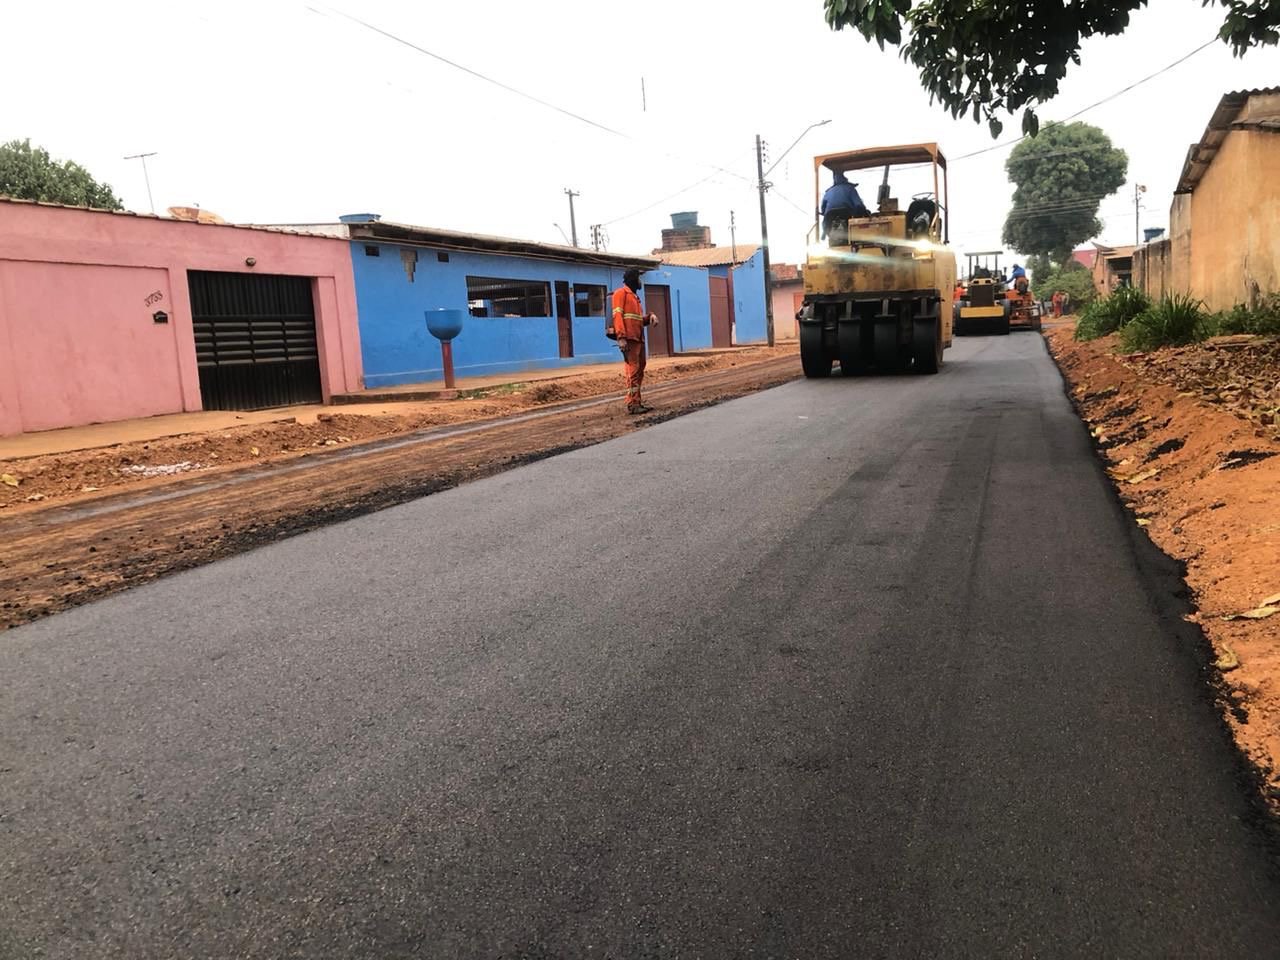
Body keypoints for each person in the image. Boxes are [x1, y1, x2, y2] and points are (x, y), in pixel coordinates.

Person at [611, 268, 657, 414]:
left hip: (638, 339)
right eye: (639, 278)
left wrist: (650, 317)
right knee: (633, 371)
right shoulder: (621, 294)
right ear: (633, 279)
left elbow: (636, 320)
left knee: (639, 370)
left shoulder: (635, 298)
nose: (640, 281)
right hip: (629, 340)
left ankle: (637, 401)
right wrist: (621, 337)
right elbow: (617, 316)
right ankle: (633, 403)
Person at [820, 170, 869, 238]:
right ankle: (857, 237)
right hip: (846, 214)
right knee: (857, 218)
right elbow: (858, 204)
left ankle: (824, 233)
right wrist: (865, 214)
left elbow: (823, 207)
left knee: (825, 221)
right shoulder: (850, 188)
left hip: (829, 215)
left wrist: (823, 212)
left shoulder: (828, 192)